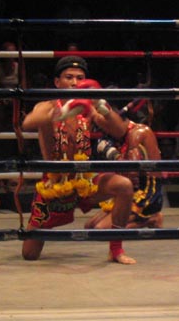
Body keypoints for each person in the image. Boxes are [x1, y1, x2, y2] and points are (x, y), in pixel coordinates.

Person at [21, 56, 136, 264]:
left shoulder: (88, 107)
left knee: (124, 186)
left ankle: (116, 249)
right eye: (69, 77)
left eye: (79, 78)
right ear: (57, 82)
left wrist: (103, 109)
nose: (74, 82)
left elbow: (120, 130)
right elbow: (27, 123)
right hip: (54, 185)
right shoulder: (47, 106)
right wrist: (60, 114)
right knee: (30, 254)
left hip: (85, 181)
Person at [85, 120, 163, 232]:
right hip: (130, 191)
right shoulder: (115, 136)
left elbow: (132, 172)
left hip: (147, 194)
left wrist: (113, 154)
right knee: (89, 226)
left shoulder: (137, 133)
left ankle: (150, 218)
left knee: (100, 230)